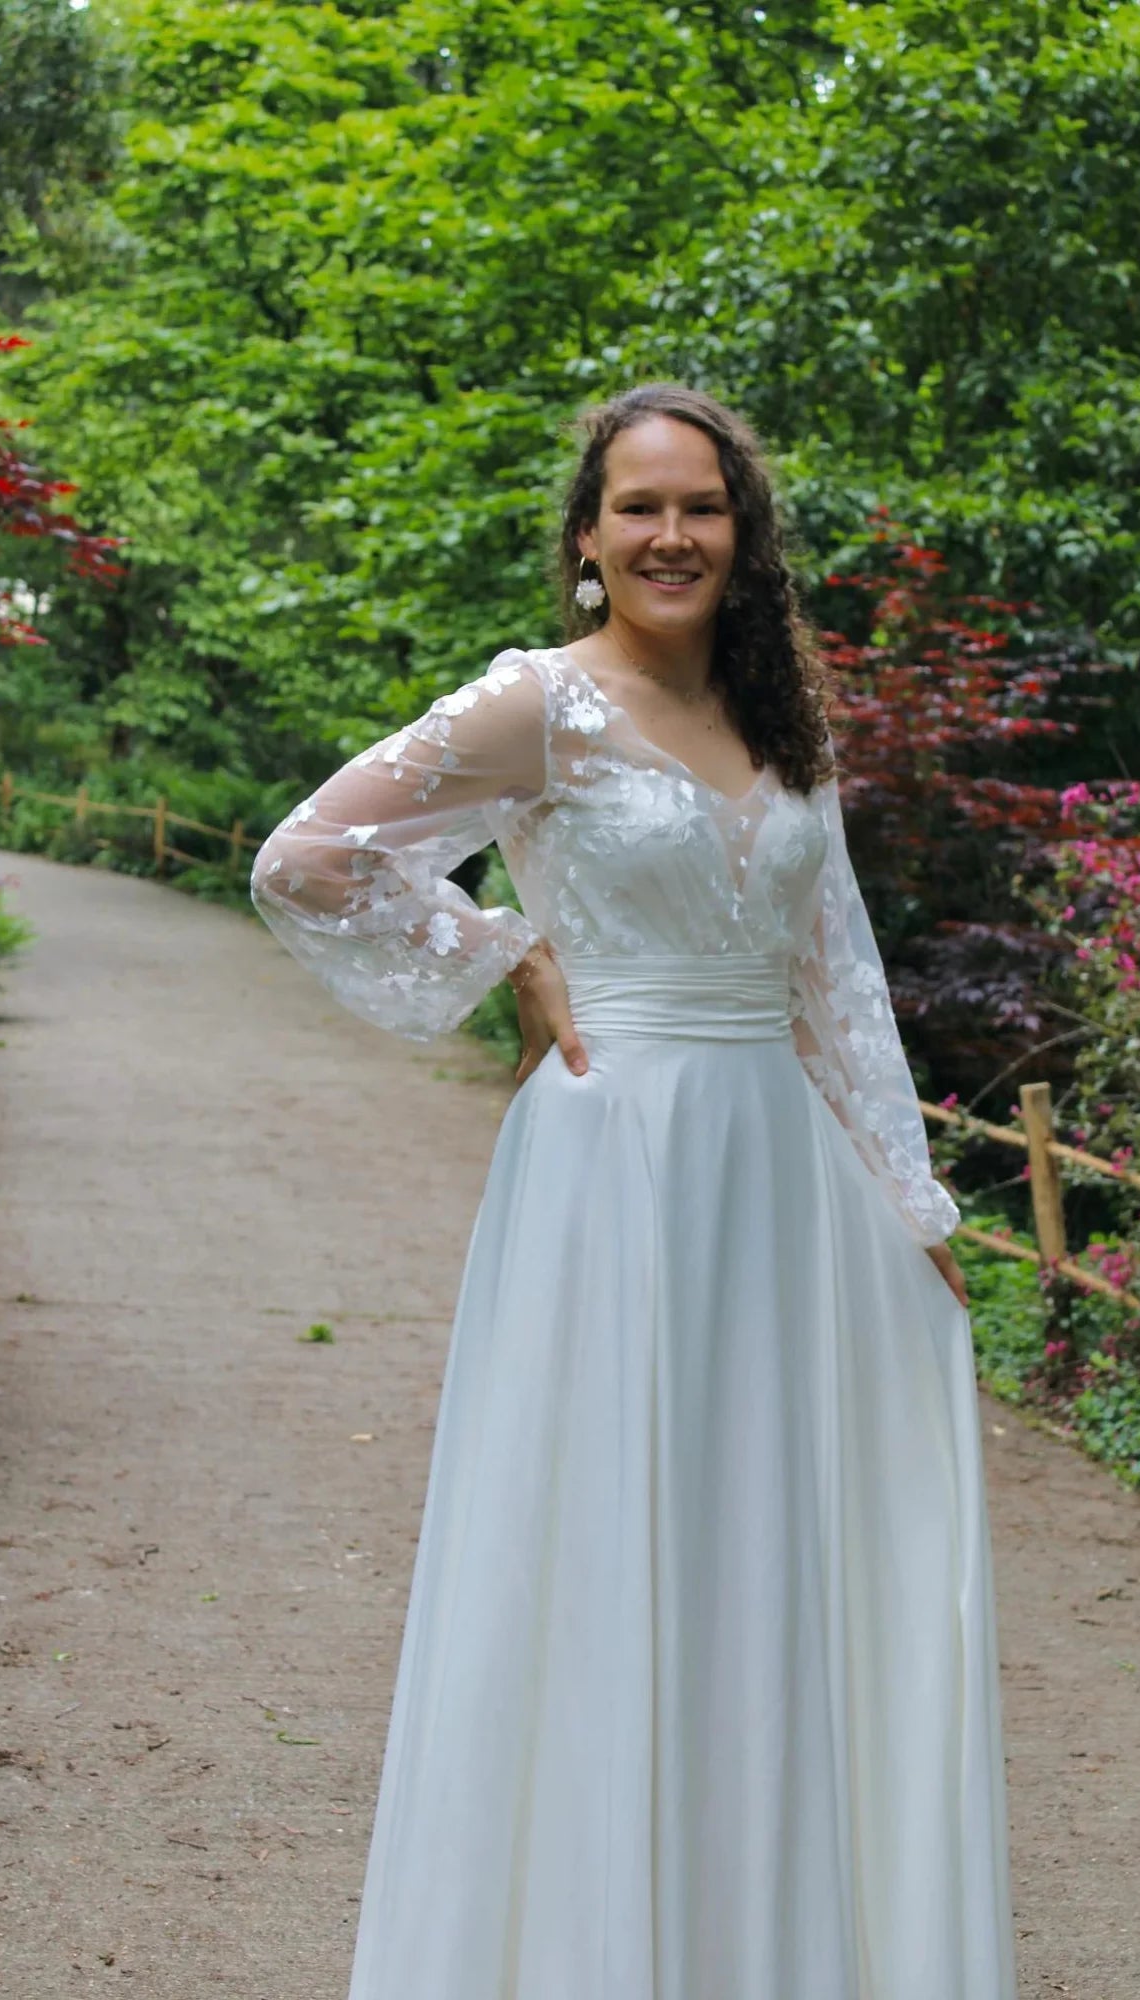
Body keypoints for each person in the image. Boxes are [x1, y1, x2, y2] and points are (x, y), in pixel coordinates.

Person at [251, 382, 1017, 1999]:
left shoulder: (776, 722)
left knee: (761, 1563)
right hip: (616, 1167)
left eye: (704, 506)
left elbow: (833, 978)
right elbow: (307, 858)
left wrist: (909, 1205)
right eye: (639, 507)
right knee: (605, 1551)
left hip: (781, 1180)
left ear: (744, 537)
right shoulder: (541, 706)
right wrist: (506, 953)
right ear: (587, 539)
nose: (672, 533)